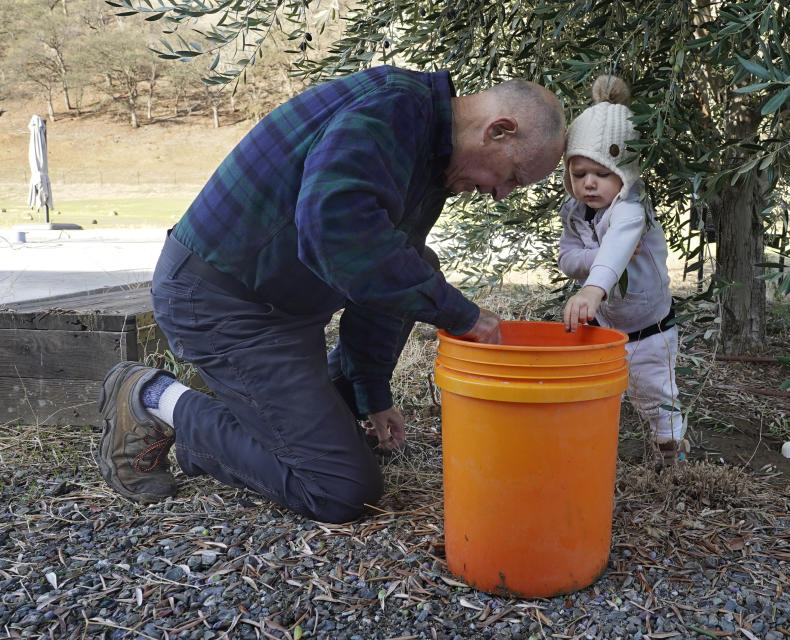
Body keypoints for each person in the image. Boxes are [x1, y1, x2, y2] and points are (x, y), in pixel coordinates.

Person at [95, 65, 565, 522]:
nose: (500, 194)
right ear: (498, 131)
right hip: (222, 303)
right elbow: (334, 233)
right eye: (513, 178)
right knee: (338, 489)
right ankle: (152, 397)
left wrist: (372, 394)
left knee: (419, 267)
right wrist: (460, 314)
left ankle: (270, 428)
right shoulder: (392, 111)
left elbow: (385, 273)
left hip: (287, 309)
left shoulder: (430, 152)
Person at [557, 76, 688, 465]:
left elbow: (619, 244)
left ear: (625, 173)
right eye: (579, 174)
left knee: (656, 395)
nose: (589, 184)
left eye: (601, 172)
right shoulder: (575, 213)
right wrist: (597, 262)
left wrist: (593, 287)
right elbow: (567, 258)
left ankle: (672, 458)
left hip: (650, 331)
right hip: (605, 329)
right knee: (594, 393)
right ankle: (590, 453)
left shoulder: (632, 209)